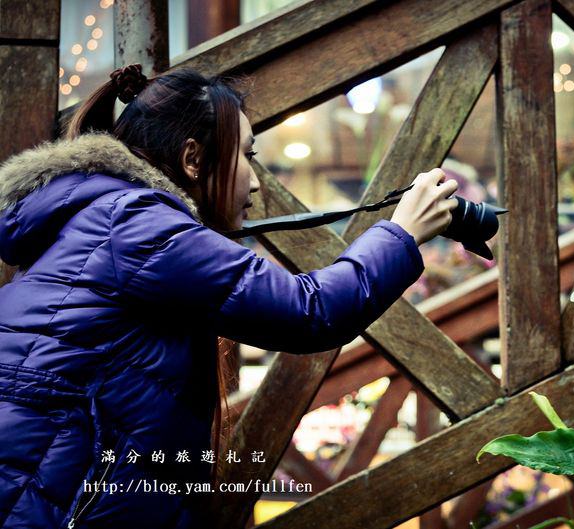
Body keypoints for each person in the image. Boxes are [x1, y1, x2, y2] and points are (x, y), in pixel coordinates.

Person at [0, 64, 458, 529]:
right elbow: (310, 311)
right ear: (193, 159)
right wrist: (403, 232)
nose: (256, 183)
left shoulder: (102, 218)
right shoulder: (139, 226)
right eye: (246, 155)